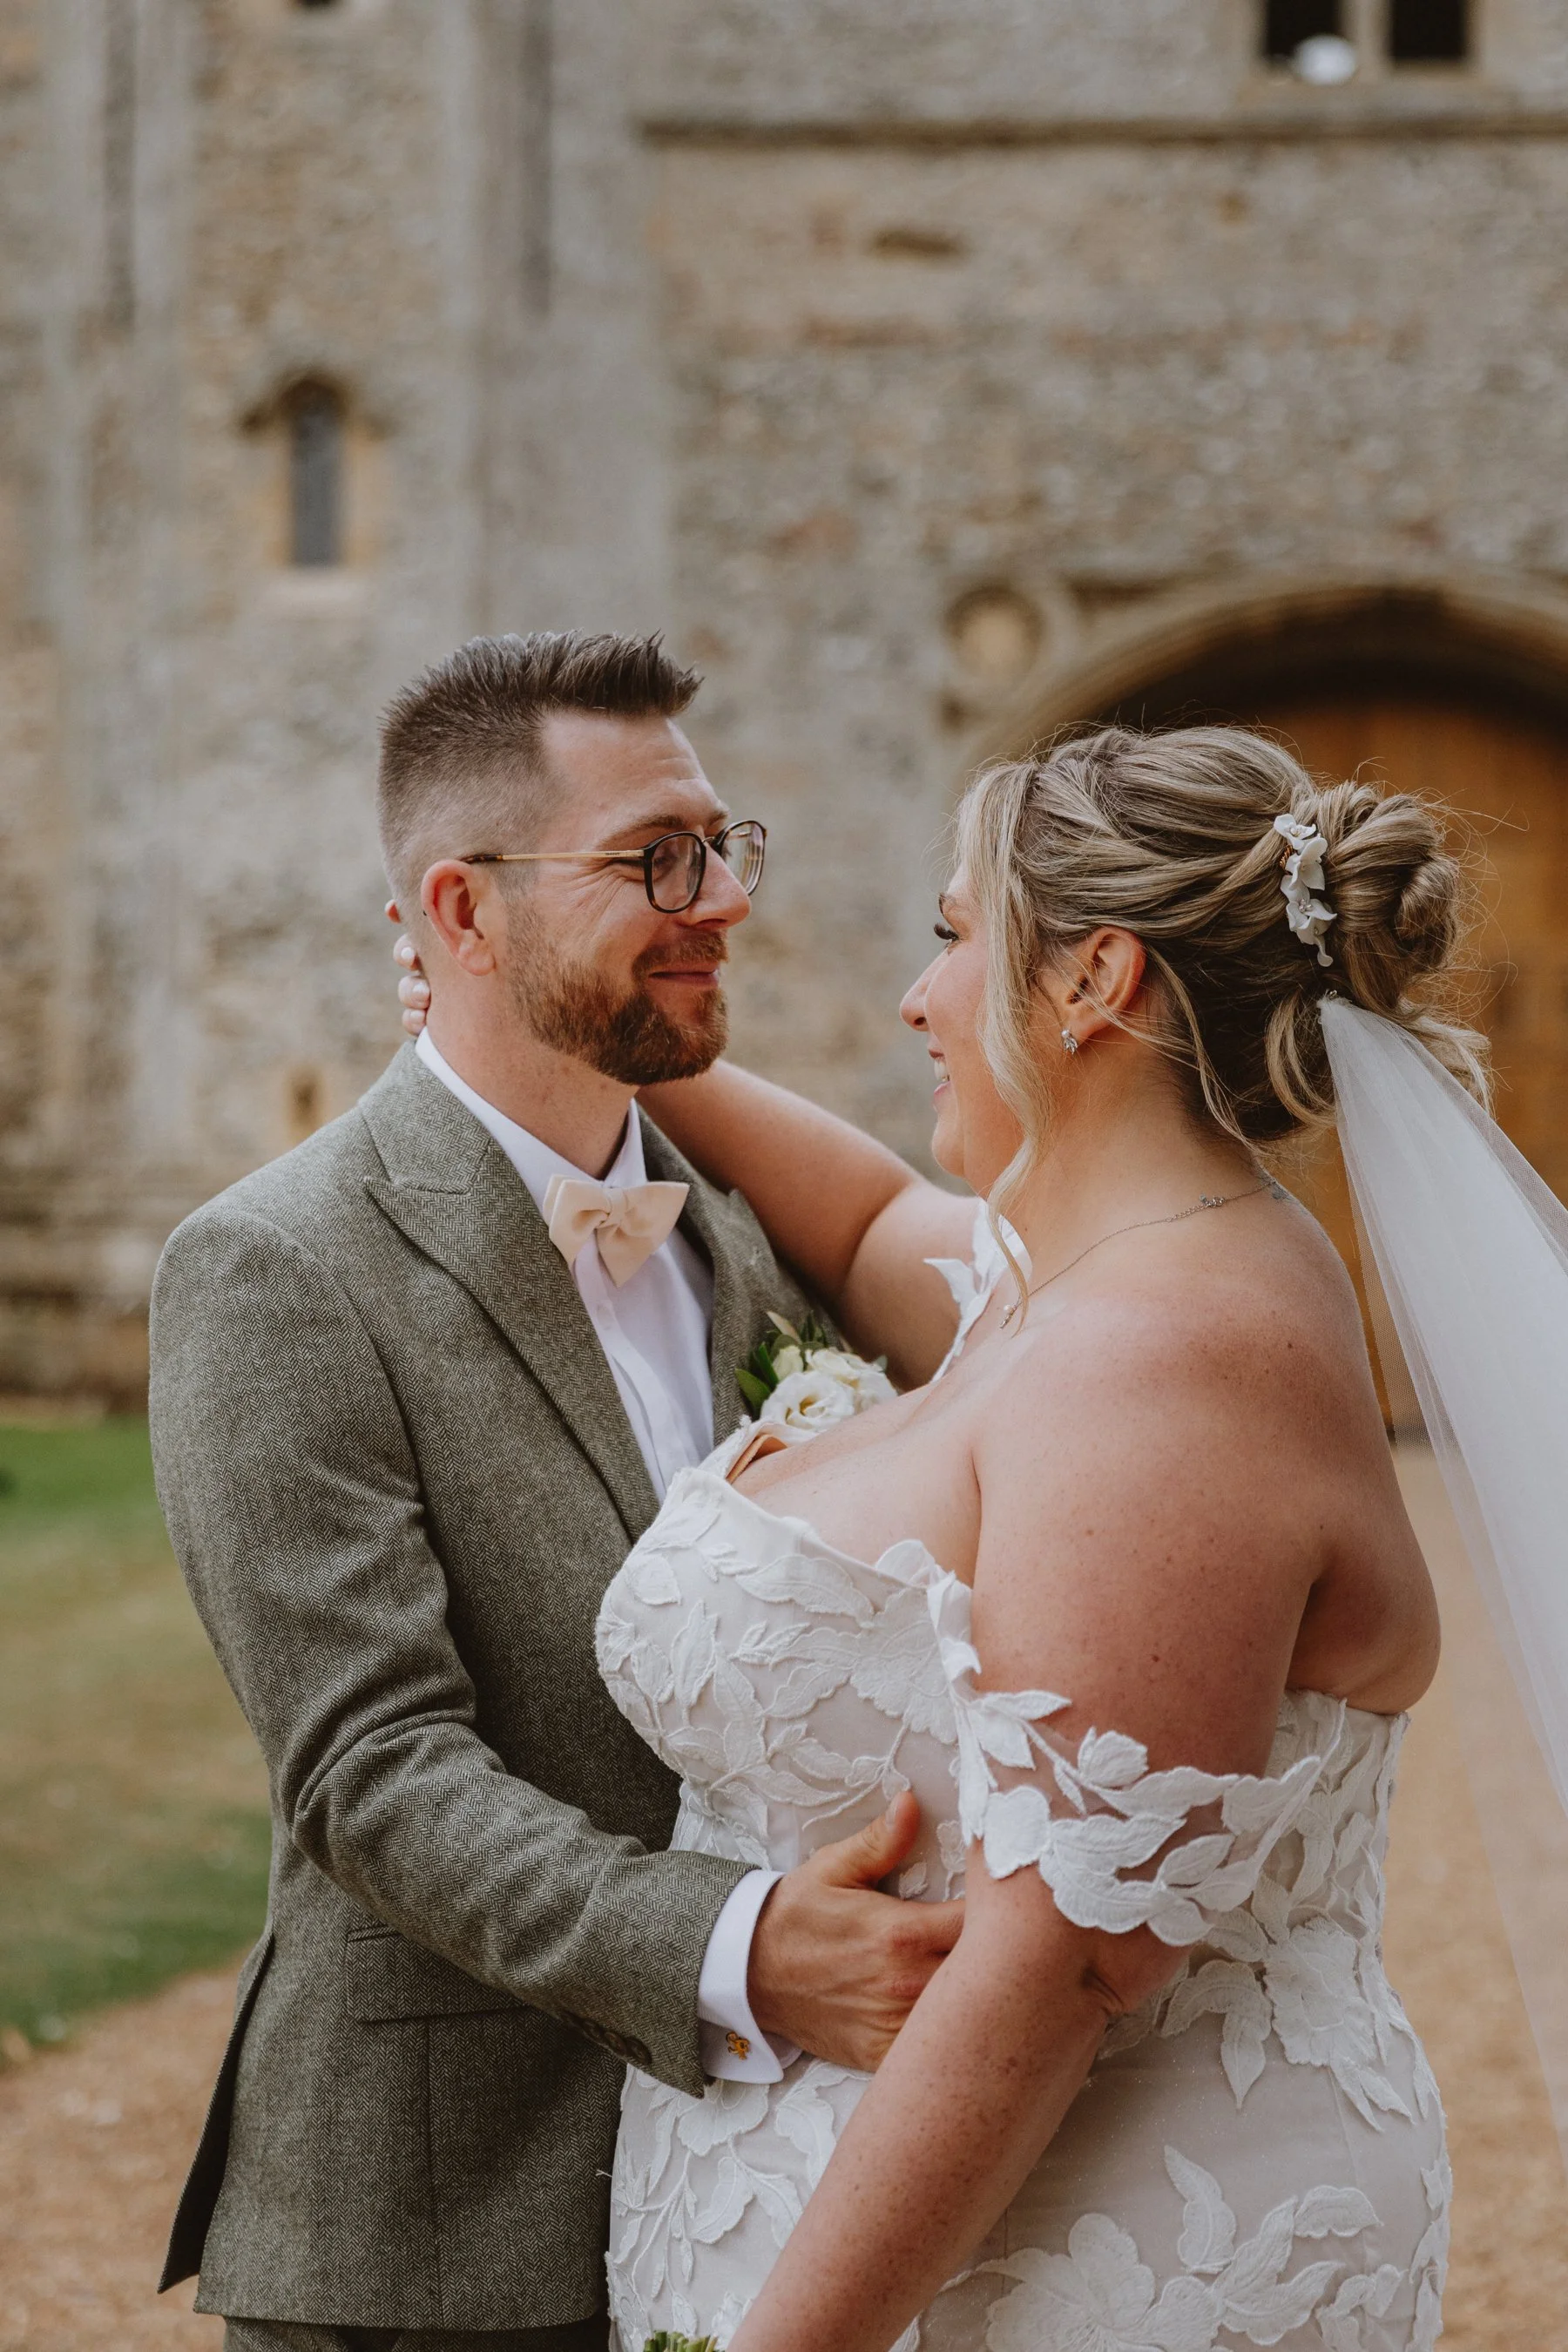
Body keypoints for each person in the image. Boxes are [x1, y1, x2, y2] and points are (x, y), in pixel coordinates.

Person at [401, 723, 1465, 2351]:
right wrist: (571, 1027)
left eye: (959, 937)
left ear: (1092, 980)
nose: (916, 995)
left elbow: (1060, 1971)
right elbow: (871, 1220)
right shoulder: (1088, 1279)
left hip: (1089, 2257)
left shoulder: (1169, 1366)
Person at [148, 632, 962, 2352]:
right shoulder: (273, 1267)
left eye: (722, 847)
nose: (719, 902)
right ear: (462, 911)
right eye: (653, 859)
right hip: (445, 2222)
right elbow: (368, 1773)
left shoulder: (747, 1232)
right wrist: (747, 1950)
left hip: (771, 2195)